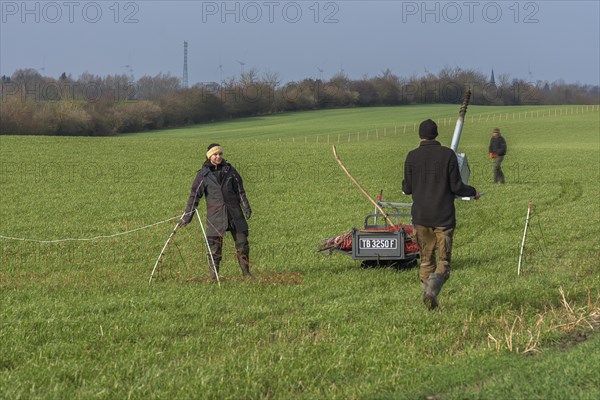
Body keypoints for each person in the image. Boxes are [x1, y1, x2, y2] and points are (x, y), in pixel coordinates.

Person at [402, 119, 480, 310]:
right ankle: (431, 292)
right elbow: (457, 187)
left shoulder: (412, 156)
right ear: (436, 134)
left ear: (420, 135)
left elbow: (408, 188)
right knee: (443, 262)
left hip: (421, 218)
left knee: (426, 260)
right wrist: (473, 192)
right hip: (443, 218)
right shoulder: (448, 155)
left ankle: (428, 297)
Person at [178, 143, 253, 280]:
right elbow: (194, 196)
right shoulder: (203, 175)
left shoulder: (230, 171)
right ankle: (214, 277)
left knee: (243, 245)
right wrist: (187, 217)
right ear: (209, 156)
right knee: (214, 249)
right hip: (215, 216)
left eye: (220, 154)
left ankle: (246, 273)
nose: (218, 157)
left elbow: (240, 190)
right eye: (215, 154)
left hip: (235, 214)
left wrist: (246, 207)